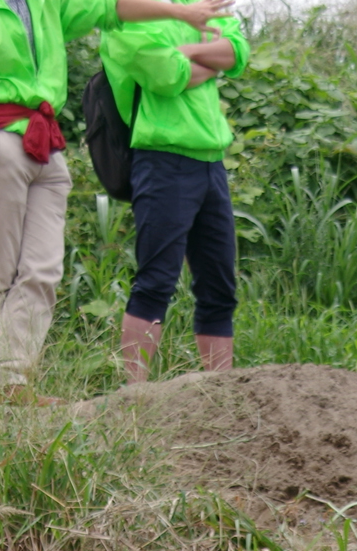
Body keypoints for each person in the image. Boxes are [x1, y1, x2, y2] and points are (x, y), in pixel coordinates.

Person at [0, 0, 230, 400]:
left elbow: (110, 7)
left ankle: (11, 381)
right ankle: (0, 386)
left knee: (43, 269)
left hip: (45, 146)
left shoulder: (46, 3)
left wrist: (181, 12)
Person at [102, 4, 248, 381]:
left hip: (212, 160)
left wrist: (191, 53)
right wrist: (210, 62)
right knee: (156, 281)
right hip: (162, 159)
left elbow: (238, 52)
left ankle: (222, 390)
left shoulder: (198, 7)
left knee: (219, 285)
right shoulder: (125, 17)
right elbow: (166, 75)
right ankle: (133, 393)